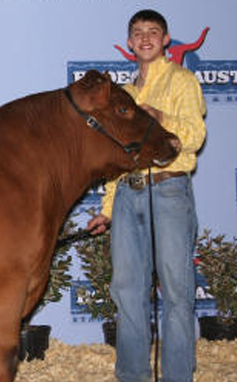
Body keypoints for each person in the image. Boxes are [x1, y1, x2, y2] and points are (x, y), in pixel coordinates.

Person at [87, 9, 206, 382]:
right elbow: (116, 157)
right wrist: (107, 210)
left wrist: (160, 117)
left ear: (166, 40)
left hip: (168, 190)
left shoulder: (183, 81)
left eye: (153, 31)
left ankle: (176, 377)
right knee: (127, 292)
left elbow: (195, 136)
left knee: (176, 294)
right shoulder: (125, 95)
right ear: (130, 43)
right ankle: (132, 376)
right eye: (137, 32)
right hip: (127, 194)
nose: (145, 38)